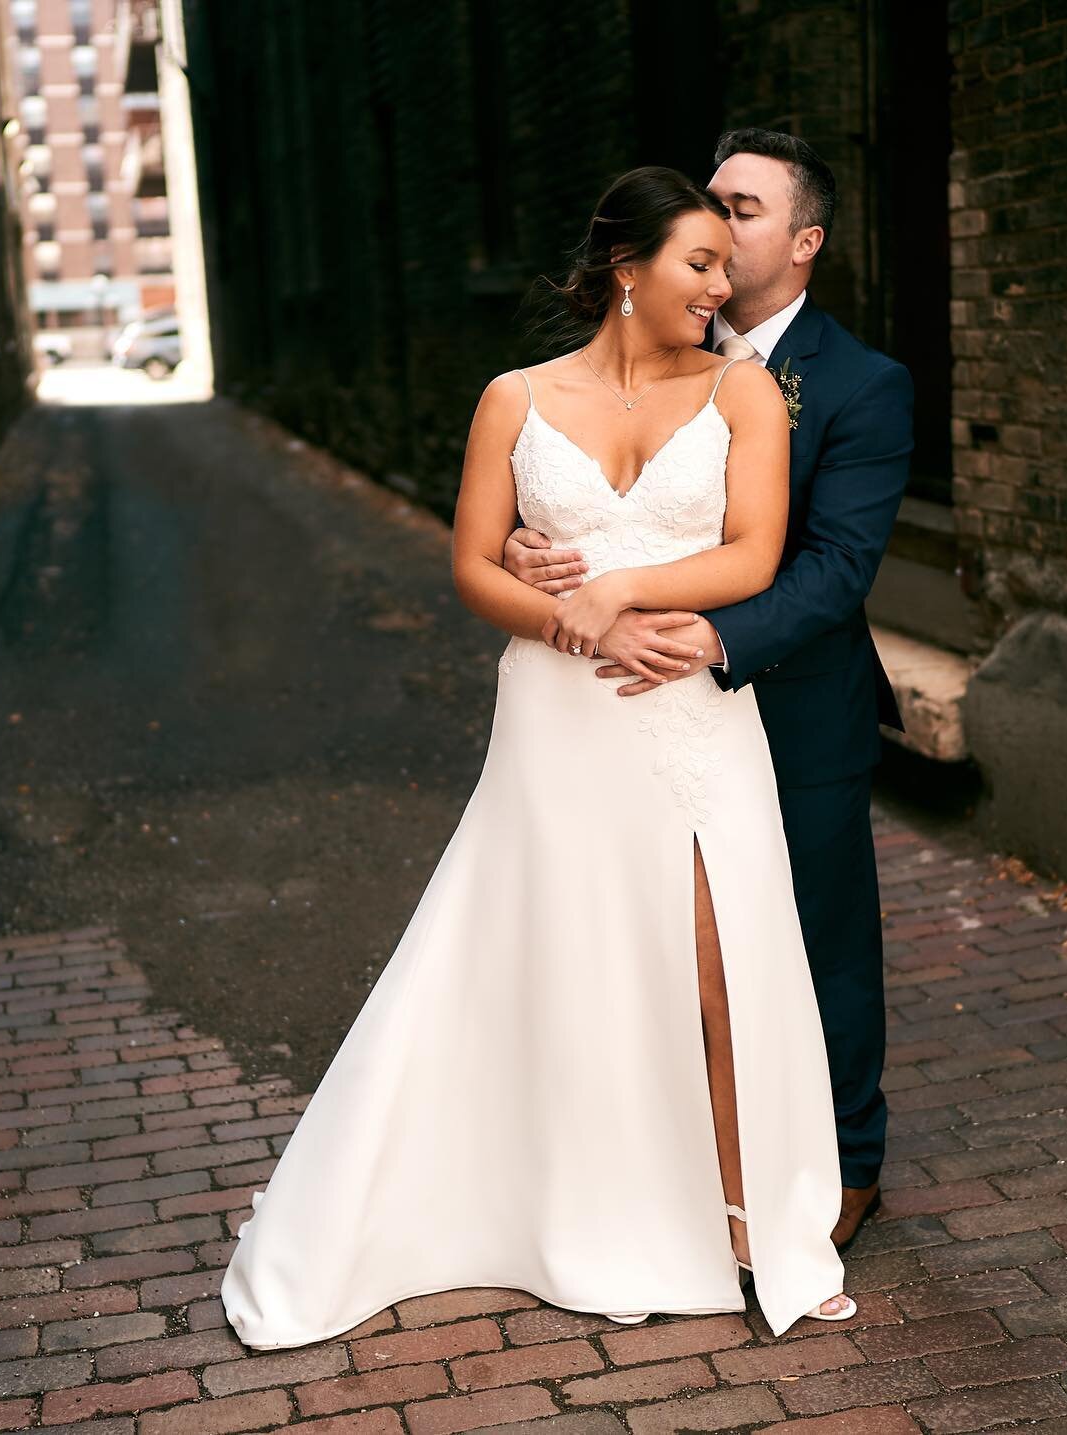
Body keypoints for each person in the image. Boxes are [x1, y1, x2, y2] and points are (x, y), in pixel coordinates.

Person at [219, 165, 853, 1350]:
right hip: (557, 722)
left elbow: (756, 555)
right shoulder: (513, 398)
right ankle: (582, 1201)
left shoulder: (746, 393)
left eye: (729, 263)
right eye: (700, 263)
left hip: (689, 720)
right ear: (629, 268)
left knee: (722, 965)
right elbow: (471, 567)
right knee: (572, 959)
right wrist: (555, 613)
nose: (724, 286)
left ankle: (748, 1212)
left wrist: (616, 588)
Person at [505, 130, 914, 1250]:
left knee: (814, 937)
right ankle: (690, 1157)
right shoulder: (655, 347)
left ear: (805, 241)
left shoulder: (864, 385)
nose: (718, 229)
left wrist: (707, 638)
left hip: (788, 703)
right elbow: (569, 487)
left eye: (742, 208)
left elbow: (834, 568)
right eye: (709, 210)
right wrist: (529, 552)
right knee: (660, 940)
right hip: (636, 713)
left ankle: (847, 1161)